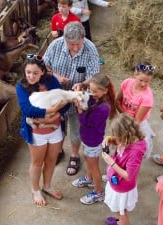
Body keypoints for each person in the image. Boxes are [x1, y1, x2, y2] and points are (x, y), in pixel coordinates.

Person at [43, 21, 100, 176]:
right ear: (65, 39)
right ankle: (59, 150)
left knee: (76, 129)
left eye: (78, 44)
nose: (75, 48)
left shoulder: (90, 49)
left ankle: (74, 155)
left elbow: (94, 76)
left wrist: (81, 84)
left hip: (77, 98)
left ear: (83, 37)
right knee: (57, 126)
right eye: (71, 44)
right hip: (57, 97)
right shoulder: (55, 46)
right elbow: (43, 67)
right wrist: (56, 76)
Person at [16, 54, 69, 206]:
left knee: (52, 160)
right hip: (36, 133)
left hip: (55, 130)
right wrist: (51, 111)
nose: (31, 76)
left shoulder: (51, 81)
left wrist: (56, 115)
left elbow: (65, 101)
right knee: (37, 162)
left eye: (35, 73)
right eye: (28, 72)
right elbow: (27, 109)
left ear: (42, 72)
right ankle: (35, 190)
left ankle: (47, 186)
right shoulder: (22, 86)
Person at [71, 73, 116, 204]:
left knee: (94, 165)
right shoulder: (96, 99)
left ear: (105, 91)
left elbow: (86, 121)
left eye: (95, 91)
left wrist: (79, 108)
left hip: (93, 141)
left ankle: (98, 192)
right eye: (90, 90)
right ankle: (88, 178)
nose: (92, 93)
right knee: (87, 159)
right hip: (86, 137)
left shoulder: (103, 108)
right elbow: (88, 100)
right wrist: (80, 94)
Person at [101, 113, 146, 225]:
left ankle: (123, 222)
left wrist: (112, 163)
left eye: (117, 135)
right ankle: (121, 222)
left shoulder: (135, 152)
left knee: (120, 211)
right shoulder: (127, 139)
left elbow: (128, 175)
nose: (116, 137)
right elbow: (118, 140)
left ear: (125, 134)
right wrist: (110, 139)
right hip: (116, 181)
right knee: (118, 210)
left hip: (122, 186)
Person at [115, 62, 155, 159]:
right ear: (135, 74)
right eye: (141, 80)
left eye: (147, 82)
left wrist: (126, 132)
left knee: (136, 147)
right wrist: (123, 115)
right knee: (121, 142)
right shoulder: (127, 82)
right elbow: (117, 100)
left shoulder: (147, 97)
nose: (143, 84)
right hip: (124, 117)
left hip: (136, 122)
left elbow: (136, 121)